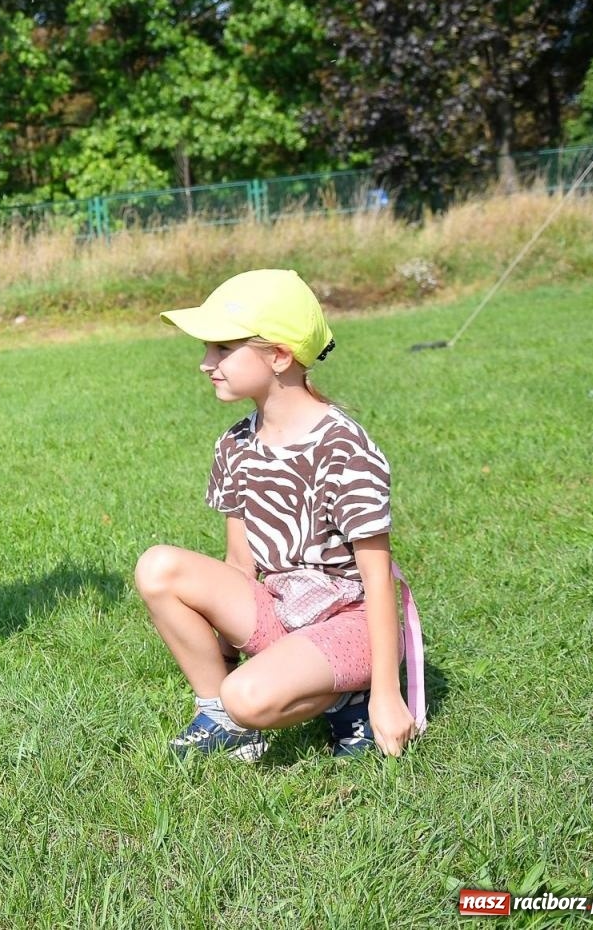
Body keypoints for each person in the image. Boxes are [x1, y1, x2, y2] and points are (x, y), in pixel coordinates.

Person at [134, 269, 421, 761]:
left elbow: (378, 583)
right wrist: (228, 656)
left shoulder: (345, 450)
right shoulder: (236, 443)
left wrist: (387, 696)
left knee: (246, 694)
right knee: (157, 566)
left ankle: (350, 697)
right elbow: (240, 567)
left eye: (222, 349)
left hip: (350, 622)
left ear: (281, 356)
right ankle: (223, 718)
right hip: (284, 608)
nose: (206, 363)